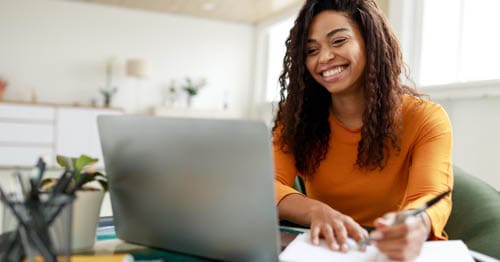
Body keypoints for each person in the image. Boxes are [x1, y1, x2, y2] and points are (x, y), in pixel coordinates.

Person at [272, 0, 453, 260]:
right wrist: (317, 211)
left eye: (338, 41)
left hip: (394, 254)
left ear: (370, 41)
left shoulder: (426, 118)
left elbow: (432, 195)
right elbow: (269, 185)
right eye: (311, 50)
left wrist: (418, 223)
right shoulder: (296, 121)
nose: (324, 58)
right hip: (327, 250)